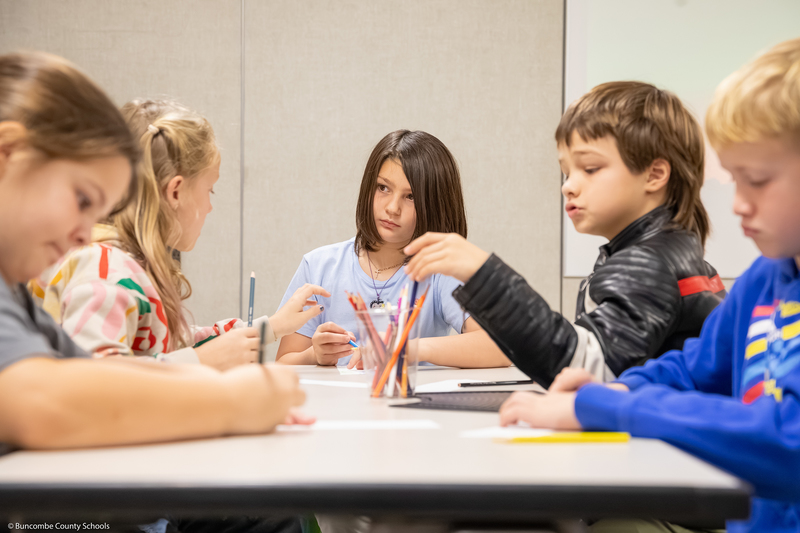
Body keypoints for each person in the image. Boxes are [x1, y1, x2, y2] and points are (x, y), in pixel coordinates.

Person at [499, 38, 800, 533]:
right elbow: (694, 368)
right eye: (735, 181)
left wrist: (607, 405)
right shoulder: (766, 278)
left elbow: (788, 442)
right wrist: (613, 387)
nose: (740, 204)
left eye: (759, 180)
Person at [0, 51, 309, 452]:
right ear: (8, 154)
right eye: (81, 199)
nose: (83, 236)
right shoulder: (103, 267)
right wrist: (231, 400)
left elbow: (96, 376)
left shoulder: (16, 296)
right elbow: (39, 402)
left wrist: (230, 382)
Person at [405, 82, 724, 387]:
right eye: (567, 171)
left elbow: (585, 368)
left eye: (590, 169)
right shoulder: (669, 252)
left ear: (654, 174)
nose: (568, 185)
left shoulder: (648, 263)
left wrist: (486, 277)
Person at [31, 99, 328, 370]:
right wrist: (202, 360)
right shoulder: (104, 269)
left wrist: (272, 326)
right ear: (175, 191)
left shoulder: (134, 266)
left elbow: (179, 344)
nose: (210, 206)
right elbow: (94, 379)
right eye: (209, 190)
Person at [276, 130, 509, 369]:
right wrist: (314, 356)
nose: (392, 208)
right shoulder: (317, 266)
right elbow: (283, 363)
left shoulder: (440, 271)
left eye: (411, 197)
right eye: (383, 188)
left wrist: (408, 348)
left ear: (435, 205)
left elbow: (502, 347)